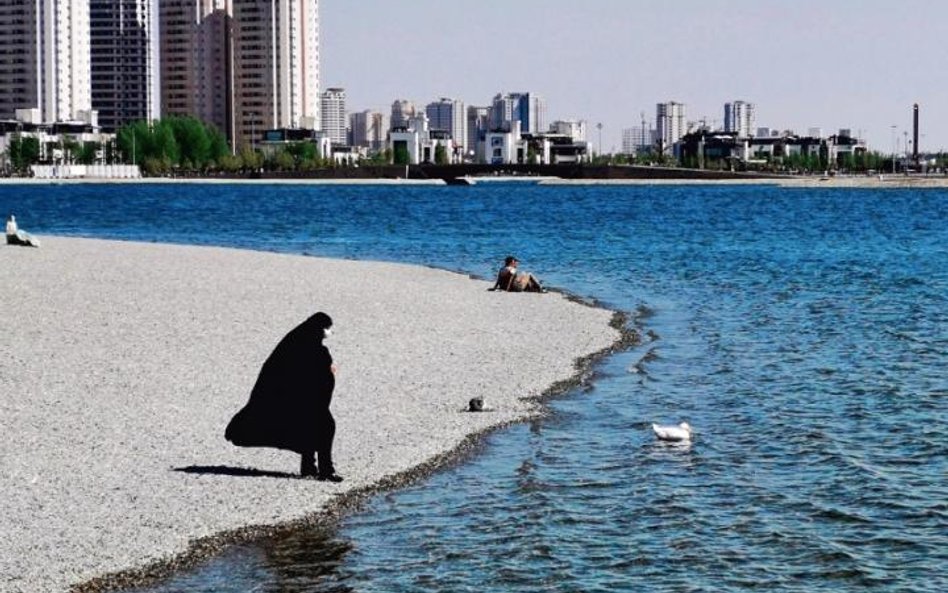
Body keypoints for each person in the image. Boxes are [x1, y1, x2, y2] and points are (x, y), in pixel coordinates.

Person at [225, 312, 343, 482]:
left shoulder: (295, 341)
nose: (328, 333)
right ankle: (325, 470)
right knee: (326, 426)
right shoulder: (311, 348)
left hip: (301, 398)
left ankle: (310, 468)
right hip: (303, 399)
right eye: (327, 329)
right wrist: (328, 369)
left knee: (310, 427)